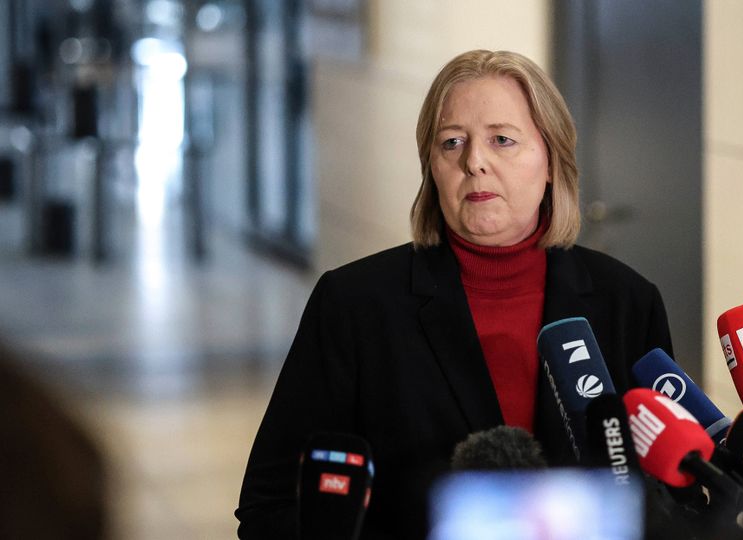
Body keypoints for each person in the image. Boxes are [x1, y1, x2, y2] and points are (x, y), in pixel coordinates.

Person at [236, 49, 674, 539]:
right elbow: (271, 505)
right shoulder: (355, 305)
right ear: (432, 168)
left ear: (551, 160)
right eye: (452, 143)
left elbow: (664, 498)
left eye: (502, 140)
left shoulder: (627, 301)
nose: (475, 162)